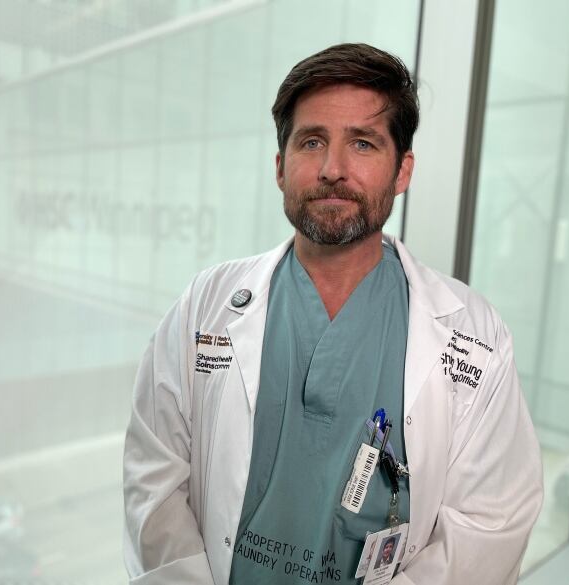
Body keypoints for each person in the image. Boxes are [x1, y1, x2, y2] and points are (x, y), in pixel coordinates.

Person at [123, 43, 543, 585]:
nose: (332, 169)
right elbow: (152, 476)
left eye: (363, 143)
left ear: (402, 170)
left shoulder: (475, 334)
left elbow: (493, 520)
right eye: (311, 141)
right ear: (280, 166)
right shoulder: (206, 304)